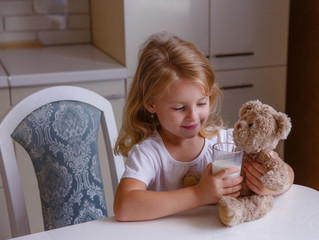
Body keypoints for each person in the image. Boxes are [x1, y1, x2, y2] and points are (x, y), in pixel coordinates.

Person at [113, 32, 294, 222]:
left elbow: (287, 171)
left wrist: (272, 184)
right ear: (151, 104)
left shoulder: (226, 142)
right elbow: (124, 207)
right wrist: (198, 194)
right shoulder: (149, 153)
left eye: (201, 103)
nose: (193, 116)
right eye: (179, 107)